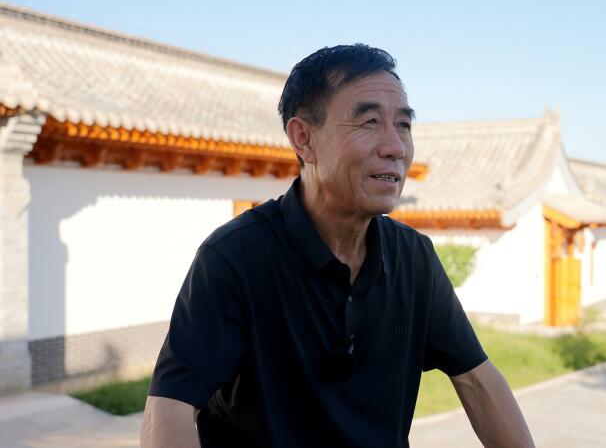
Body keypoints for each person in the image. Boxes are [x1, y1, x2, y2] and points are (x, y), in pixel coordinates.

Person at [140, 44, 535, 448]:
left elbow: (477, 381)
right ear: (304, 139)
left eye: (403, 124)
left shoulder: (414, 257)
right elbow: (169, 408)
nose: (396, 147)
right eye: (369, 122)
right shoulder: (235, 257)